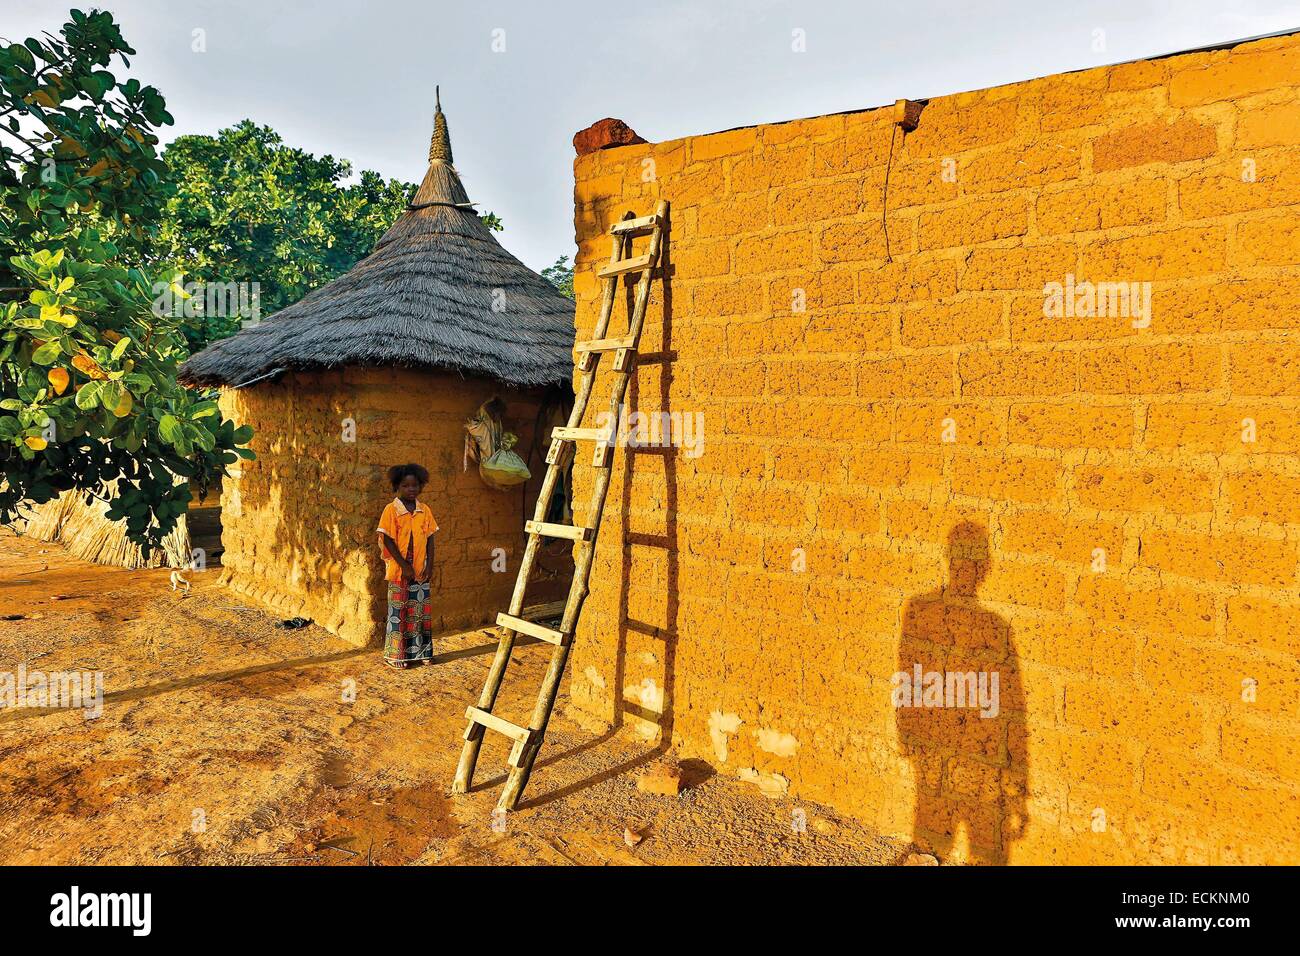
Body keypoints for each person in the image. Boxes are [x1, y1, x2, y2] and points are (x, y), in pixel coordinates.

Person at [376, 463, 438, 669]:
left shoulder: (424, 510)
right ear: (397, 487)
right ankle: (396, 655)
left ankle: (422, 652)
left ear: (420, 486)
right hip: (399, 570)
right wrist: (404, 566)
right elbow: (386, 539)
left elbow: (430, 539)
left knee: (420, 612)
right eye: (405, 486)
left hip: (420, 569)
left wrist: (429, 566)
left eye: (415, 485)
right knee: (399, 611)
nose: (411, 489)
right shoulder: (391, 510)